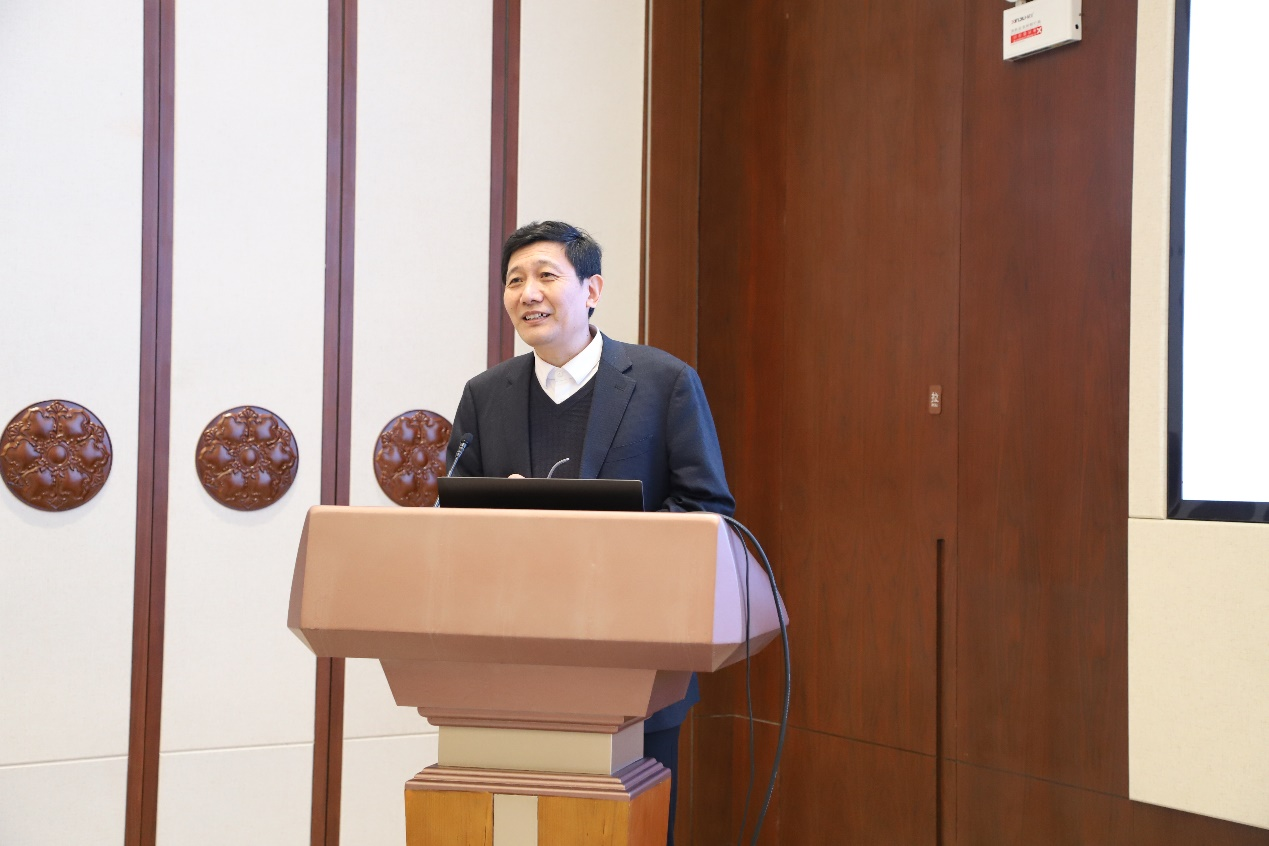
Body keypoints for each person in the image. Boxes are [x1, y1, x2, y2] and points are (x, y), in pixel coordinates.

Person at [446, 220, 734, 844]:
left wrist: (600, 545)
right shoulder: (485, 395)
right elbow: (455, 514)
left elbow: (707, 509)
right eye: (514, 280)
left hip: (635, 662)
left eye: (546, 276)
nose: (528, 293)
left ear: (592, 289)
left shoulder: (663, 382)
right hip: (512, 662)